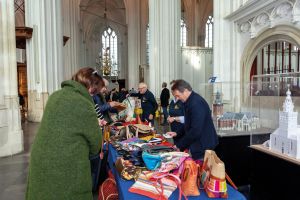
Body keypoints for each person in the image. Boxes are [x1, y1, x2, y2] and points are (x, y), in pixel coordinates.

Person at [26, 67, 104, 200]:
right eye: (94, 92)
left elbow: (60, 125)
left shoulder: (55, 96)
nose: (94, 95)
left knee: (42, 192)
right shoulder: (84, 104)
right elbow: (95, 146)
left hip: (40, 160)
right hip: (65, 166)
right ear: (90, 87)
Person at [167, 79, 218, 160]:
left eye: (178, 95)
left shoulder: (196, 103)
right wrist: (177, 133)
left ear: (185, 90)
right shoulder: (188, 101)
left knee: (201, 170)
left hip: (203, 145)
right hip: (198, 144)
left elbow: (195, 130)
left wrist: (179, 145)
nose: (177, 98)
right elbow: (188, 123)